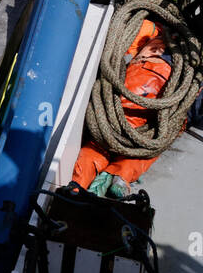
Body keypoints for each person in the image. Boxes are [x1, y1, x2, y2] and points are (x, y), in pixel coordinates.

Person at [69, 19, 172, 198]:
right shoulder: (185, 69)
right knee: (153, 142)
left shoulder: (145, 30)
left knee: (99, 143)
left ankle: (77, 185)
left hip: (124, 94)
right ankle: (118, 176)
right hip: (149, 91)